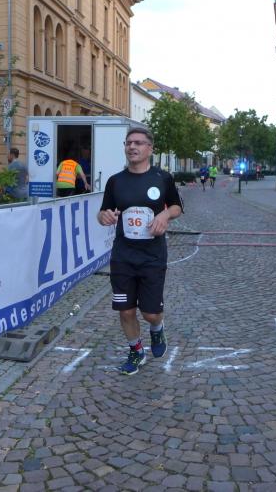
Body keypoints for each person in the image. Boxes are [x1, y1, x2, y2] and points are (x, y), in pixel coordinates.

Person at [97, 127, 183, 375]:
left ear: (150, 148)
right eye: (128, 143)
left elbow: (177, 206)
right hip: (123, 255)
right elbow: (103, 212)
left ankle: (157, 329)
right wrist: (104, 217)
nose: (132, 147)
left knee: (151, 314)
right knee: (125, 310)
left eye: (138, 143)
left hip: (152, 255)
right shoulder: (115, 181)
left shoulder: (162, 178)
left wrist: (164, 215)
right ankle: (136, 351)